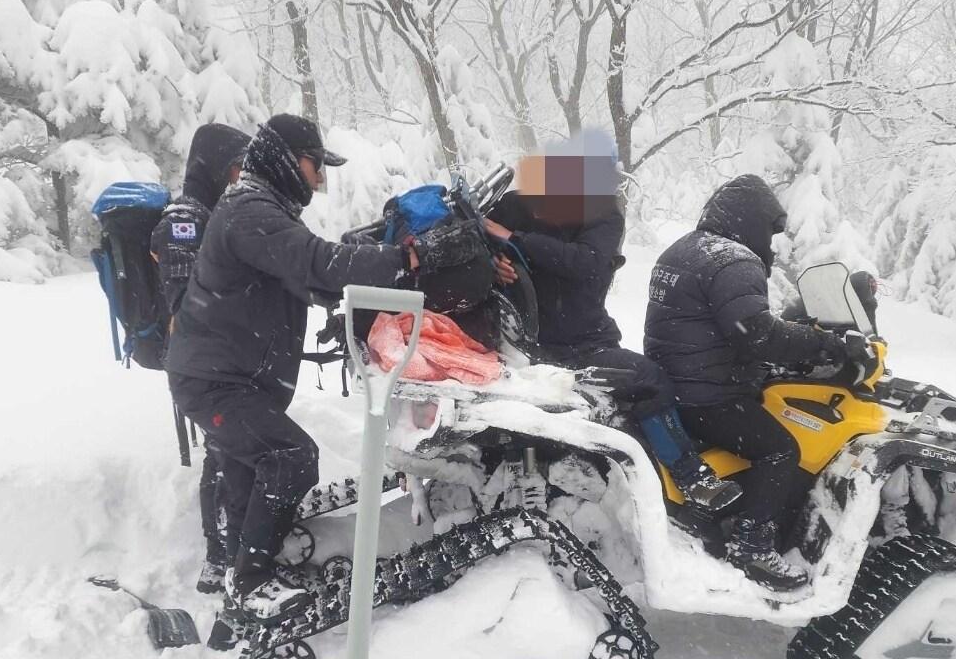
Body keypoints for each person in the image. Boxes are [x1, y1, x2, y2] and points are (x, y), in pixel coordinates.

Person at [165, 114, 461, 624]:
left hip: (234, 379)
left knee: (246, 482)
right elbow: (317, 265)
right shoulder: (248, 210)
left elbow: (318, 282)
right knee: (291, 456)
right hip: (216, 382)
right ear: (284, 160)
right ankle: (252, 584)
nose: (320, 179)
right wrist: (409, 261)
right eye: (314, 166)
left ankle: (241, 604)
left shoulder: (262, 210)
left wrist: (371, 271)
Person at [644, 174, 876, 590]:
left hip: (674, 382)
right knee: (782, 448)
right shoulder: (734, 260)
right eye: (769, 232)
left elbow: (713, 325)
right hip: (706, 395)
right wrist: (826, 344)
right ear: (751, 220)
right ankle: (753, 544)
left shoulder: (685, 249)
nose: (770, 244)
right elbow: (757, 333)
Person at [485, 137, 741, 511]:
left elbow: (585, 263)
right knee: (650, 380)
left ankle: (674, 470)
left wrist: (515, 240)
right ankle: (690, 475)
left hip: (583, 340)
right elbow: (478, 234)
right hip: (547, 346)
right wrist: (494, 263)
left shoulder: (602, 217)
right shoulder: (515, 205)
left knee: (646, 379)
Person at [150, 122, 251, 596]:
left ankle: (227, 554)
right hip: (201, 365)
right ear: (211, 163)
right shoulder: (183, 220)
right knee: (221, 454)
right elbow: (188, 301)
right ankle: (218, 559)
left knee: (225, 453)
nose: (237, 175)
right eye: (232, 164)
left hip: (216, 359)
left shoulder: (206, 211)